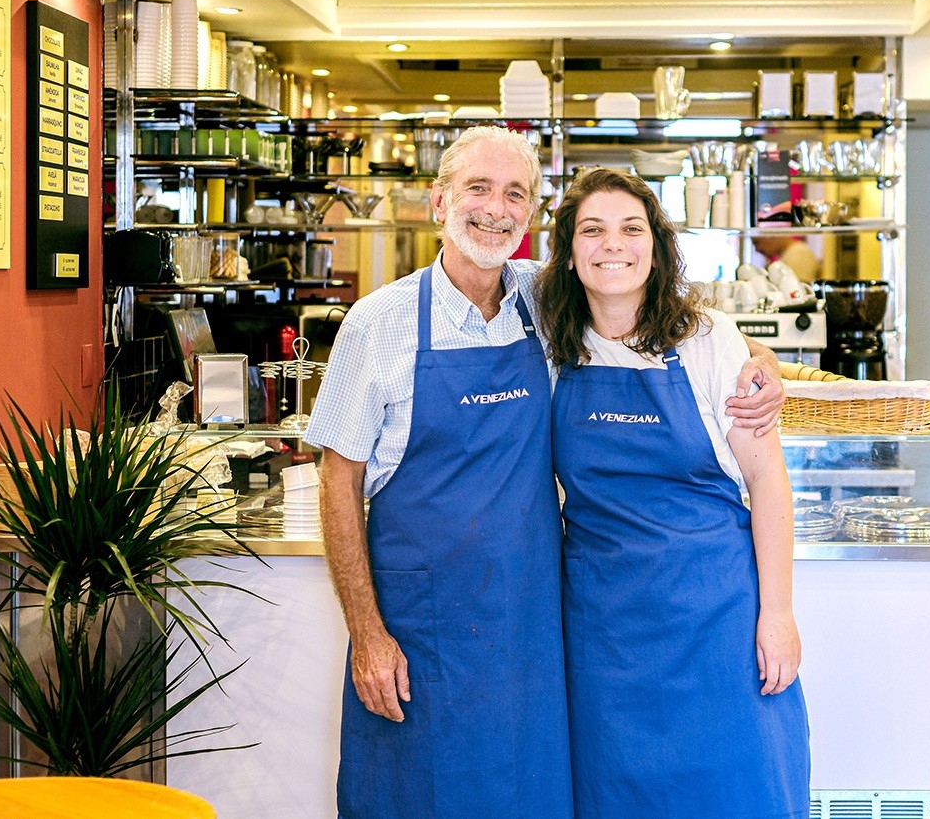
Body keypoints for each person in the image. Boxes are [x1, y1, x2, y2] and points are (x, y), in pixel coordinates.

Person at [303, 126, 785, 819]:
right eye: (477, 188)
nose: (495, 209)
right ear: (439, 201)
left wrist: (761, 367)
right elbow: (336, 481)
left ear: (529, 219)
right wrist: (367, 634)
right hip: (421, 630)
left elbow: (670, 321)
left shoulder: (544, 298)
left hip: (534, 631)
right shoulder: (377, 325)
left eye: (515, 195)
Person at [538, 167, 811, 819]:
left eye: (632, 229)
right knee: (618, 796)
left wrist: (777, 615)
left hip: (716, 619)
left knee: (738, 793)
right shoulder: (550, 345)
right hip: (605, 634)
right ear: (570, 253)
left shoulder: (709, 339)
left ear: (656, 248)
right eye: (593, 230)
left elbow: (767, 480)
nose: (614, 245)